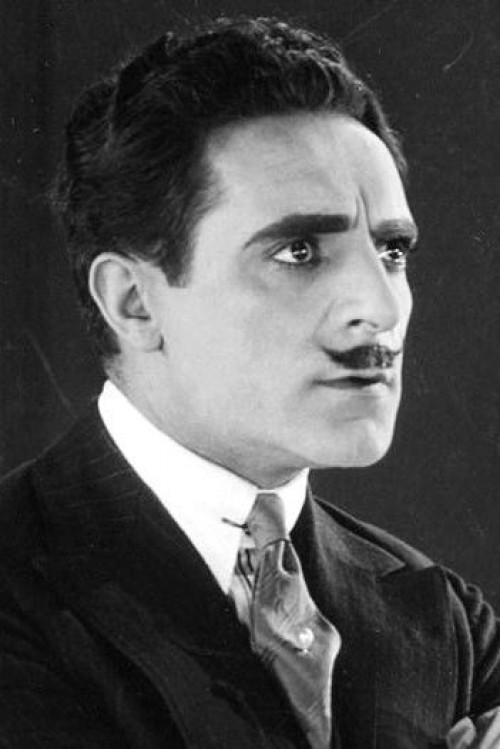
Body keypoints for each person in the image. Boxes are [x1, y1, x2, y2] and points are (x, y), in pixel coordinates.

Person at [0, 16, 498, 749]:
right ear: (135, 303)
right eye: (299, 251)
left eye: (392, 251)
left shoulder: (443, 617)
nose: (383, 308)